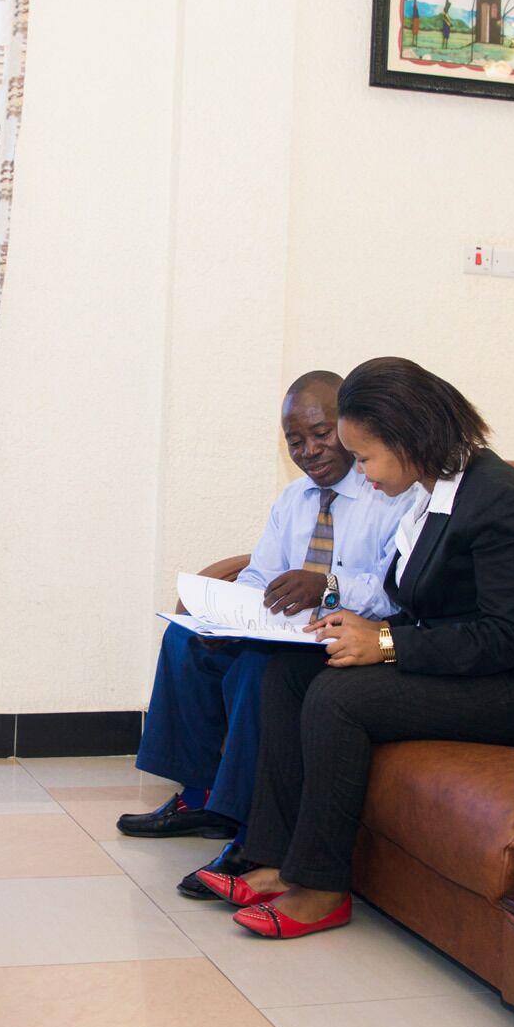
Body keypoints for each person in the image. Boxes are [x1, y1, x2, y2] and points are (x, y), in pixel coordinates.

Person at [201, 357, 514, 939]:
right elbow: (419, 602)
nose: (361, 471)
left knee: (338, 698)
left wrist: (383, 642)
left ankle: (322, 888)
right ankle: (275, 859)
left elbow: (506, 636)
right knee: (288, 672)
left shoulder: (497, 498)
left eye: (364, 457)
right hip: (462, 664)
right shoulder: (429, 493)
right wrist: (356, 626)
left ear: (408, 438)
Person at [119, 371, 412, 900]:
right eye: (295, 441)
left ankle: (251, 836)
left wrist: (327, 587)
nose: (309, 451)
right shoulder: (294, 499)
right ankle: (201, 797)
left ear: (349, 427)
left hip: (343, 638)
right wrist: (227, 613)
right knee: (187, 642)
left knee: (260, 669)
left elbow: (394, 593)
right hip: (283, 630)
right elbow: (260, 573)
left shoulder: (388, 493)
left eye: (320, 434)